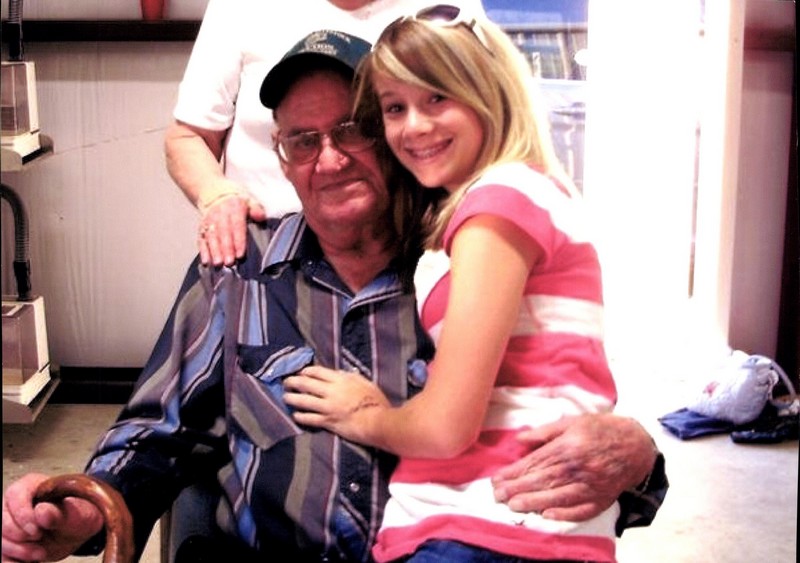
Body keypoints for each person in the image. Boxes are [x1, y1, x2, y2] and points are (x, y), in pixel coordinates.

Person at [2, 31, 664, 563]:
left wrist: (638, 459)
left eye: (353, 129)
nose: (330, 159)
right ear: (283, 159)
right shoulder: (239, 270)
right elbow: (158, 430)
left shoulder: (461, 266)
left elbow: (560, 400)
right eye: (303, 140)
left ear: (393, 139)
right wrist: (78, 511)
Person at [282, 7, 639, 562]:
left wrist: (364, 413)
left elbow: (448, 426)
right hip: (491, 525)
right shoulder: (500, 204)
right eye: (395, 107)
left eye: (437, 97)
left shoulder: (497, 205)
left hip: (492, 526)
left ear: (486, 93)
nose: (415, 126)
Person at [165, 0, 487, 267]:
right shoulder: (240, 7)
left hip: (406, 255)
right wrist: (217, 196)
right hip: (269, 263)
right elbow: (190, 136)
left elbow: (485, 126)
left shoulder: (446, 10)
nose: (331, 163)